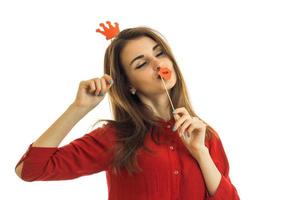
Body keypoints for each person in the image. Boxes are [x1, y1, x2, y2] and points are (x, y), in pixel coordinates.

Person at [15, 26, 240, 200]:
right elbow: (30, 169)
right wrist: (78, 108)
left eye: (159, 53)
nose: (157, 63)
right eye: (141, 64)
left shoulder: (204, 135)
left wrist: (201, 152)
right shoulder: (115, 138)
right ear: (128, 85)